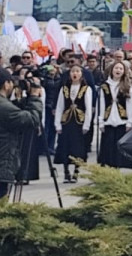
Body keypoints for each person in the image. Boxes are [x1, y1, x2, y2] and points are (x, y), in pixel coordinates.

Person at [0, 67, 44, 199]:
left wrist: (23, 101)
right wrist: (35, 98)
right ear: (6, 84)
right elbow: (32, 120)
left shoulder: (5, 105)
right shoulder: (3, 106)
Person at [54, 64, 92, 183]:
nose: (75, 73)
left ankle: (76, 171)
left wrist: (86, 125)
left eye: (77, 71)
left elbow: (88, 108)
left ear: (81, 74)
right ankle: (66, 171)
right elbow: (60, 106)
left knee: (78, 147)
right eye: (72, 71)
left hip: (79, 122)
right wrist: (57, 124)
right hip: (67, 121)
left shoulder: (86, 89)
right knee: (65, 146)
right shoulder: (64, 89)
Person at [97, 60, 132, 168]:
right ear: (111, 70)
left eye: (121, 69)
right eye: (116, 68)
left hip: (122, 121)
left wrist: (130, 122)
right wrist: (101, 122)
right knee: (108, 148)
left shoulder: (127, 87)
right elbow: (102, 105)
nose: (118, 70)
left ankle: (118, 168)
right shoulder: (104, 87)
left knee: (119, 149)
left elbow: (130, 105)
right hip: (108, 121)